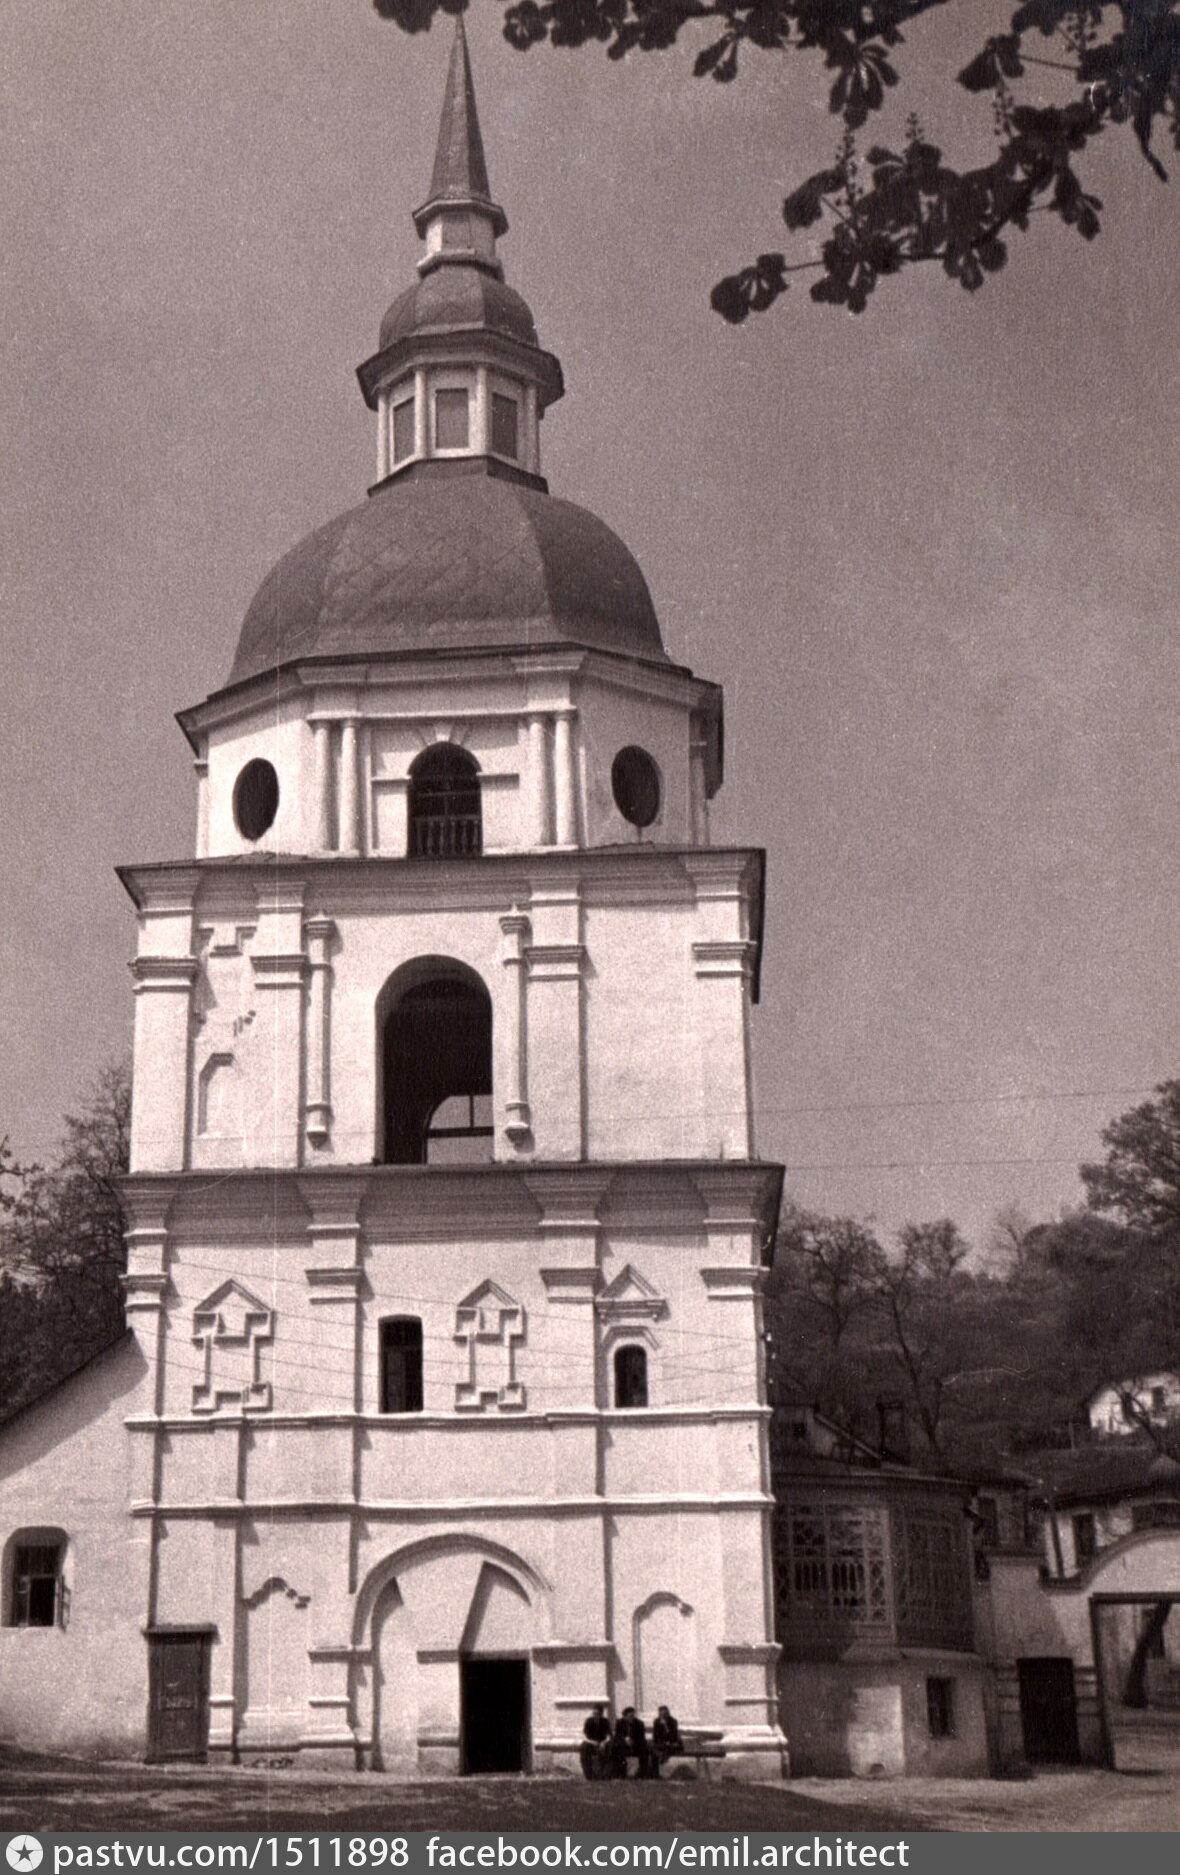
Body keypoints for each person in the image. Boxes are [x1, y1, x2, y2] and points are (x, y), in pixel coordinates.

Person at [611, 1705, 650, 1779]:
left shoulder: (639, 1723)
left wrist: (633, 1742)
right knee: (615, 1750)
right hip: (623, 1745)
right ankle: (618, 1774)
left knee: (644, 1751)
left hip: (636, 1745)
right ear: (625, 1716)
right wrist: (624, 1740)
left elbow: (642, 1738)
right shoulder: (619, 1723)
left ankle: (643, 1774)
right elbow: (617, 1737)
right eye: (630, 1716)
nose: (632, 1718)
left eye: (633, 1716)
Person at [649, 1705, 683, 1778]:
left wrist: (665, 1726)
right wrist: (662, 1741)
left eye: (665, 1714)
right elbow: (656, 1736)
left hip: (672, 1743)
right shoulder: (657, 1721)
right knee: (655, 1752)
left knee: (672, 1747)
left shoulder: (673, 1721)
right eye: (661, 1714)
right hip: (662, 1744)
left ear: (668, 1714)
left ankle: (664, 1756)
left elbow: (674, 1736)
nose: (663, 1716)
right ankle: (655, 1774)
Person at [580, 1704, 612, 1780]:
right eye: (594, 1713)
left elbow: (609, 1736)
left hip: (602, 1743)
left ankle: (606, 1775)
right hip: (591, 1743)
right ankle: (589, 1775)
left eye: (597, 1713)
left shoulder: (605, 1722)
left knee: (610, 1748)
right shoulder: (589, 1721)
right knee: (584, 1748)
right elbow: (584, 1737)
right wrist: (593, 1742)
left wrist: (603, 1743)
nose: (595, 1715)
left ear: (601, 1714)